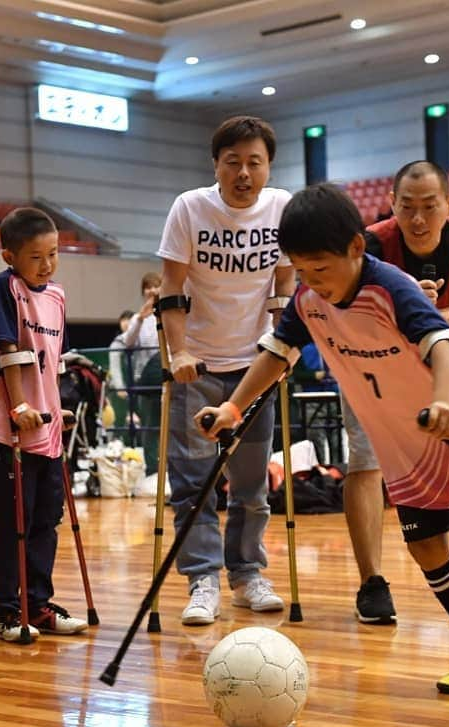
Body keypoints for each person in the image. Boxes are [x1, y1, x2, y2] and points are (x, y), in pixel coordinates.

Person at [198, 182, 449, 694]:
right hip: (401, 449)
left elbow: (445, 345)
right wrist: (233, 406)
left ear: (354, 248)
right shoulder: (308, 300)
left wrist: (442, 402)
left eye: (320, 268)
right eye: (301, 270)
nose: (312, 281)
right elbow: (277, 352)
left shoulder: (390, 287)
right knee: (428, 552)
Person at [344, 160, 449, 623]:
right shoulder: (370, 245)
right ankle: (372, 581)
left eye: (429, 208)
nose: (417, 219)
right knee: (368, 462)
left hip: (443, 375)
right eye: (406, 207)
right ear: (391, 204)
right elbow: (352, 327)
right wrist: (407, 308)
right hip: (372, 372)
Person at [157, 115, 294, 625]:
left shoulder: (281, 208)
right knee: (194, 483)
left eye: (254, 162)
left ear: (268, 167)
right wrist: (178, 354)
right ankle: (202, 580)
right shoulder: (190, 208)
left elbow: (283, 287)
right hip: (200, 368)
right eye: (232, 162)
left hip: (255, 367)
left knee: (252, 485)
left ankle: (246, 573)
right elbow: (172, 288)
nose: (243, 172)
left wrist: (284, 347)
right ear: (215, 164)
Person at [0, 207, 88, 640]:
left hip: (47, 429)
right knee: (12, 523)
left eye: (53, 254)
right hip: (10, 431)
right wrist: (20, 405)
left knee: (46, 519)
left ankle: (37, 604)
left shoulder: (57, 295)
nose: (47, 265)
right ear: (10, 256)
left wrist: (52, 405)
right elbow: (10, 351)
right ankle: (7, 609)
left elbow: (50, 361)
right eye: (36, 257)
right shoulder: (5, 287)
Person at [120, 272, 162, 469]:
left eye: (156, 285)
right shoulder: (138, 318)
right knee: (149, 428)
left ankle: (170, 471)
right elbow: (127, 342)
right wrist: (140, 319)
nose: (152, 290)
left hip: (168, 379)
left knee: (172, 427)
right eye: (148, 286)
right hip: (145, 382)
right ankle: (153, 471)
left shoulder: (170, 313)